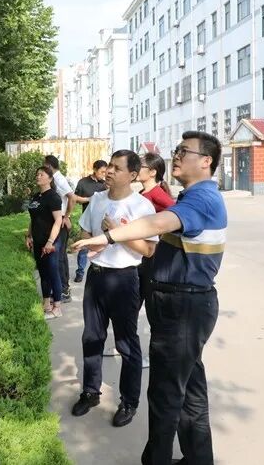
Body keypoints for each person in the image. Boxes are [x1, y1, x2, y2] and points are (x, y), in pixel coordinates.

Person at [73, 131, 226, 465]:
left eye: (184, 151)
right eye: (177, 149)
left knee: (165, 394)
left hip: (183, 309)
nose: (176, 155)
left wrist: (109, 236)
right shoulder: (192, 197)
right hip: (183, 304)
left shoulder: (201, 199)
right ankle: (198, 459)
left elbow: (157, 224)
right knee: (190, 393)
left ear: (206, 161)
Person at [70, 150, 158, 428]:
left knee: (126, 344)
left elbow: (148, 250)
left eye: (117, 168)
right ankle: (90, 392)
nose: (109, 171)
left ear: (132, 175)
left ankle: (129, 402)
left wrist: (116, 234)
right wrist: (91, 242)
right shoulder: (97, 199)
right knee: (92, 337)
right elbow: (85, 230)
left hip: (124, 280)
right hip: (96, 277)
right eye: (109, 165)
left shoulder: (142, 207)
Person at [25, 167, 65, 318]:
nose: (38, 176)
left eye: (41, 174)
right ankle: (46, 303)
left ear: (50, 179)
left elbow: (58, 220)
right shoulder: (36, 197)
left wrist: (50, 242)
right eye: (37, 174)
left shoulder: (53, 197)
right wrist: (29, 235)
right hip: (38, 240)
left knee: (53, 273)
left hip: (51, 242)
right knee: (43, 273)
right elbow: (33, 219)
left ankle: (57, 307)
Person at [44, 155, 75, 302]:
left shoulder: (58, 179)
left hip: (60, 221)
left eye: (44, 166)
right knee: (58, 255)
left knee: (60, 256)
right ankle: (60, 288)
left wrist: (66, 216)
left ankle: (64, 290)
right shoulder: (56, 179)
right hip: (56, 219)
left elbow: (72, 197)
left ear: (49, 166)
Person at [73, 160, 108, 282]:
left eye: (105, 172)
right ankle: (80, 272)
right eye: (102, 172)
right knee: (84, 246)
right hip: (87, 220)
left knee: (101, 246)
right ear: (94, 170)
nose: (104, 174)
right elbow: (75, 198)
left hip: (102, 221)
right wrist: (89, 199)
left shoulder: (105, 184)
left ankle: (100, 270)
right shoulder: (83, 182)